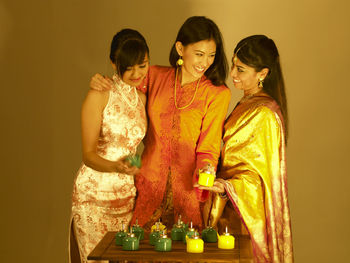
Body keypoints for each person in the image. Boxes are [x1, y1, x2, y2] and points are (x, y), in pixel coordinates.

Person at [90, 16, 231, 229]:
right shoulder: (155, 76)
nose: (205, 62)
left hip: (187, 189)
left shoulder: (217, 94)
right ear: (180, 48)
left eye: (211, 55)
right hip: (147, 183)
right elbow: (123, 92)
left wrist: (206, 171)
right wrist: (101, 81)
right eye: (199, 54)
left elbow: (209, 147)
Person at [198, 35, 294, 262]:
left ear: (262, 74)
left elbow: (261, 181)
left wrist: (226, 187)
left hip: (243, 217)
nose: (232, 74)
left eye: (240, 69)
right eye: (233, 64)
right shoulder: (247, 102)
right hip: (226, 208)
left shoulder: (265, 113)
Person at [70, 29, 149, 263]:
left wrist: (134, 168)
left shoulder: (142, 99)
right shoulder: (100, 94)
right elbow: (88, 155)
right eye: (128, 67)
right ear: (114, 63)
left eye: (142, 65)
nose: (137, 73)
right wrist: (117, 167)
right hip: (93, 196)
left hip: (126, 196)